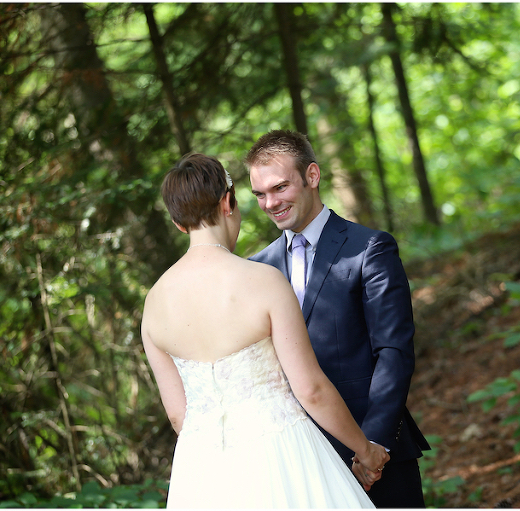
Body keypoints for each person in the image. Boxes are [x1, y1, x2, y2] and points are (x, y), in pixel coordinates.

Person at [141, 153, 389, 508]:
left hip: (203, 473)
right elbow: (311, 389)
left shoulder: (154, 304)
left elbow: (179, 414)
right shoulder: (263, 281)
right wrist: (365, 449)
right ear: (228, 202)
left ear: (179, 223)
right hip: (283, 455)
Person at [245, 130, 430, 508]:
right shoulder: (256, 268)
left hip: (377, 451)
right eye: (260, 194)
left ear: (312, 176)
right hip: (298, 460)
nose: (270, 203)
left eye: (280, 188)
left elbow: (393, 352)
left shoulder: (369, 247)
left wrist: (372, 445)